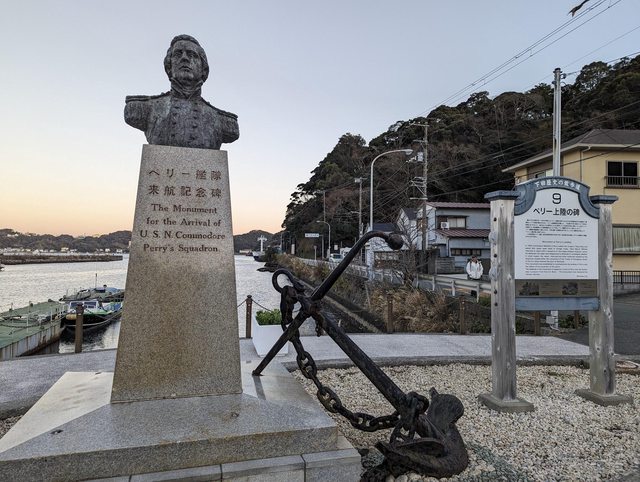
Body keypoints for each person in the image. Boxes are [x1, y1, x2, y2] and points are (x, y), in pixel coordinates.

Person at [124, 34, 239, 150]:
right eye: (178, 54)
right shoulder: (141, 108)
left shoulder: (224, 121)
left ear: (203, 69)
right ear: (169, 67)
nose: (184, 58)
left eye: (192, 55)